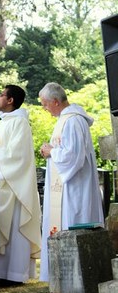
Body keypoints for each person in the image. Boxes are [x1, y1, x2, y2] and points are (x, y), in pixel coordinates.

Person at [38, 82, 104, 282]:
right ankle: (63, 275)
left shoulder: (73, 121)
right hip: (66, 187)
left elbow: (74, 156)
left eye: (45, 104)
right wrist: (51, 150)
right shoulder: (65, 120)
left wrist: (51, 151)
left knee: (73, 221)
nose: (44, 108)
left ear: (56, 101)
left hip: (75, 188)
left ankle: (74, 276)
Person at [0, 85, 41, 284]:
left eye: (1, 95)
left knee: (15, 229)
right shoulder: (3, 122)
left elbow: (19, 156)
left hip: (14, 186)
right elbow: (0, 151)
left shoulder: (20, 123)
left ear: (11, 100)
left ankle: (15, 274)